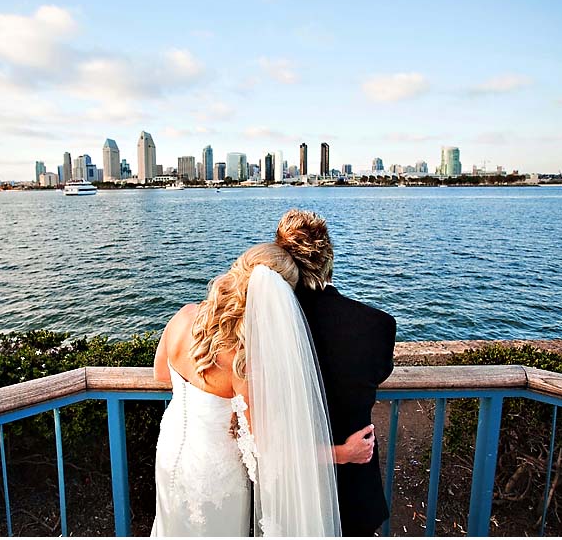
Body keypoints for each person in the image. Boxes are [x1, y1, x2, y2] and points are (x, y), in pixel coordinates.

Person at [151, 242, 371, 537]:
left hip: (169, 451)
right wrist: (342, 453)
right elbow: (270, 452)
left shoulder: (183, 316)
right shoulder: (243, 363)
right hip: (214, 475)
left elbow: (161, 375)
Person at [275, 209, 397, 536]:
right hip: (354, 490)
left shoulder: (269, 329)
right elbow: (379, 373)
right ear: (329, 257)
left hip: (288, 490)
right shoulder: (378, 325)